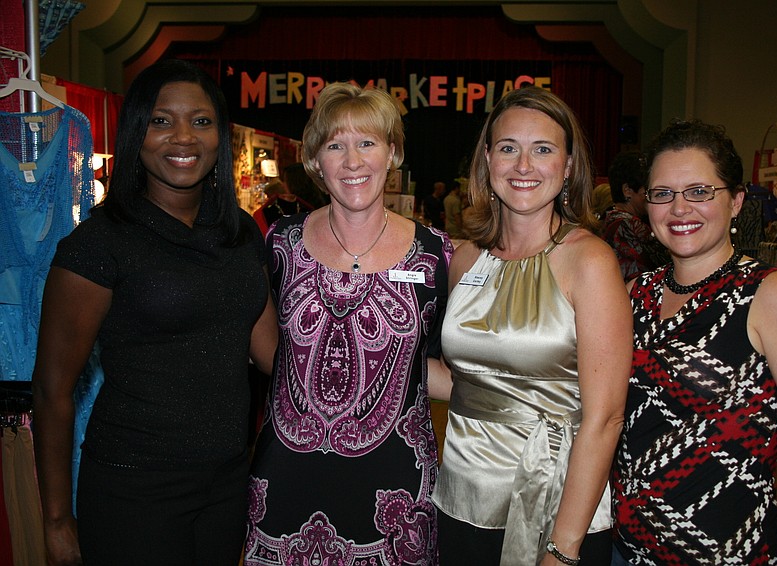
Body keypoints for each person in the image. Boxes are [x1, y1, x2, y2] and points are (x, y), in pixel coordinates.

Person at [31, 59, 278, 566]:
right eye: (161, 121)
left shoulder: (239, 234)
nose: (183, 138)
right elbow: (53, 389)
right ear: (135, 133)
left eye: (201, 121)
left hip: (227, 483)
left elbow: (271, 354)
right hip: (132, 490)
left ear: (220, 135)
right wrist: (57, 521)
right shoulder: (100, 242)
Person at [612, 119, 777, 565]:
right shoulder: (633, 294)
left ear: (736, 201)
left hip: (728, 555)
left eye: (700, 191)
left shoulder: (772, 294)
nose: (680, 209)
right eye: (663, 194)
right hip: (626, 550)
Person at [243, 82, 453, 565]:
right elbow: (265, 346)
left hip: (395, 494)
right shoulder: (279, 245)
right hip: (288, 479)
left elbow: (448, 366)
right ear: (315, 161)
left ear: (393, 152)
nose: (353, 161)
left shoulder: (439, 256)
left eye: (368, 142)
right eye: (336, 145)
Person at [433, 86, 633, 565]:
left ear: (567, 167)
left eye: (542, 149)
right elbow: (468, 380)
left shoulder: (589, 262)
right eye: (508, 148)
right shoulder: (465, 259)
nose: (524, 166)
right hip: (462, 496)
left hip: (556, 505)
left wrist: (562, 550)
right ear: (487, 160)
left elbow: (605, 418)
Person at [601, 150, 669, 281]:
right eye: (647, 191)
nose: (651, 197)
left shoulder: (608, 217)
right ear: (627, 191)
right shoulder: (628, 226)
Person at [252, 161, 326, 234]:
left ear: (293, 183)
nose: (283, 185)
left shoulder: (311, 208)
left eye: (284, 181)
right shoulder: (320, 205)